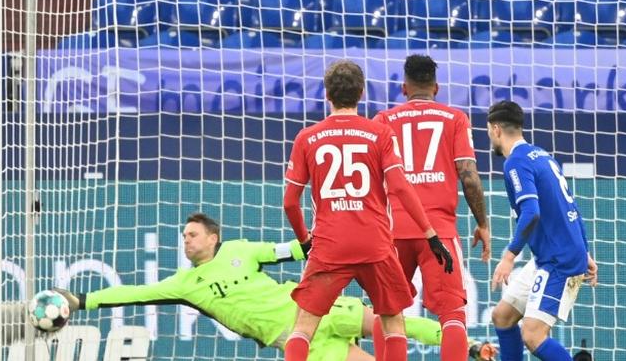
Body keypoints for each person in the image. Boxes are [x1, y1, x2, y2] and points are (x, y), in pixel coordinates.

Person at [55, 213, 465, 361]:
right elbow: (133, 294)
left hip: (312, 309)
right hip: (303, 343)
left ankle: (469, 350)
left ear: (213, 237)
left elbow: (295, 248)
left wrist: (325, 235)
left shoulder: (241, 250)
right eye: (183, 236)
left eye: (193, 234)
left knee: (391, 322)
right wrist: (82, 300)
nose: (186, 241)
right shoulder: (185, 284)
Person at [282, 60, 454, 361]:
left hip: (330, 244)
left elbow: (289, 201)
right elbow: (401, 188)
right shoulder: (380, 134)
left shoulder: (307, 138)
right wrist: (430, 233)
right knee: (393, 322)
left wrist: (305, 241)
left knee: (303, 328)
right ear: (362, 93)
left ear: (326, 94)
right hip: (375, 244)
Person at [372, 54, 491, 361]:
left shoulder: (383, 121)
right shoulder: (455, 118)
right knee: (452, 313)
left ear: (403, 87)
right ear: (436, 88)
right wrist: (483, 223)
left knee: (386, 310)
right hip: (439, 231)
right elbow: (470, 178)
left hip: (393, 231)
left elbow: (371, 181)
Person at [486, 100, 598, 361]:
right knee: (502, 316)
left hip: (559, 260)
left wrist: (509, 256)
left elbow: (531, 212)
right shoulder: (542, 155)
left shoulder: (515, 163)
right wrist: (586, 250)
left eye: (489, 131)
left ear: (496, 129)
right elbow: (569, 204)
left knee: (533, 334)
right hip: (551, 255)